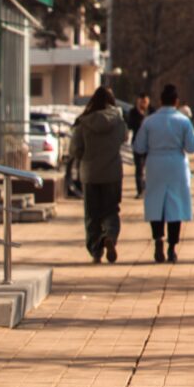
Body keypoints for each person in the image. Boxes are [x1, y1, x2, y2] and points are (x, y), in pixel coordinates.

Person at [134, 84, 194, 263]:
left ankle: (158, 241)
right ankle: (172, 248)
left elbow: (139, 146)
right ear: (176, 102)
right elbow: (192, 147)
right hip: (177, 165)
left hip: (155, 164)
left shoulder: (149, 121)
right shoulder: (184, 121)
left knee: (156, 204)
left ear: (161, 101)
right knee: (175, 206)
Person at [71, 86, 127, 264]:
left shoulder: (84, 122)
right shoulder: (118, 120)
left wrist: (86, 157)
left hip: (91, 174)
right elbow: (124, 138)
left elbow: (74, 149)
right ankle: (109, 235)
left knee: (92, 214)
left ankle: (96, 249)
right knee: (111, 210)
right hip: (112, 173)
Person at [126, 93, 152, 197]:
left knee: (150, 168)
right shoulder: (133, 112)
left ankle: (148, 188)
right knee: (139, 168)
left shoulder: (152, 111)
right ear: (138, 101)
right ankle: (140, 190)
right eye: (142, 102)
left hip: (151, 144)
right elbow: (129, 125)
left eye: (146, 102)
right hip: (138, 144)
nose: (144, 104)